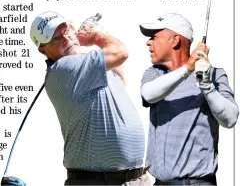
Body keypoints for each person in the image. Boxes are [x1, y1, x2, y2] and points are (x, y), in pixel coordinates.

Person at [30, 11, 150, 186]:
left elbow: (120, 77)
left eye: (67, 31)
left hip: (135, 179)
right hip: (95, 181)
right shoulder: (63, 69)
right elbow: (121, 53)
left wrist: (99, 37)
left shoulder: (87, 68)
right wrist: (97, 37)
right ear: (43, 50)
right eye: (56, 38)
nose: (67, 39)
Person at [139, 13, 239, 186]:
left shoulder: (215, 74)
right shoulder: (154, 73)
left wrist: (207, 85)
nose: (148, 42)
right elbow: (148, 94)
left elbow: (230, 119)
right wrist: (187, 68)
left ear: (175, 40)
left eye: (154, 37)